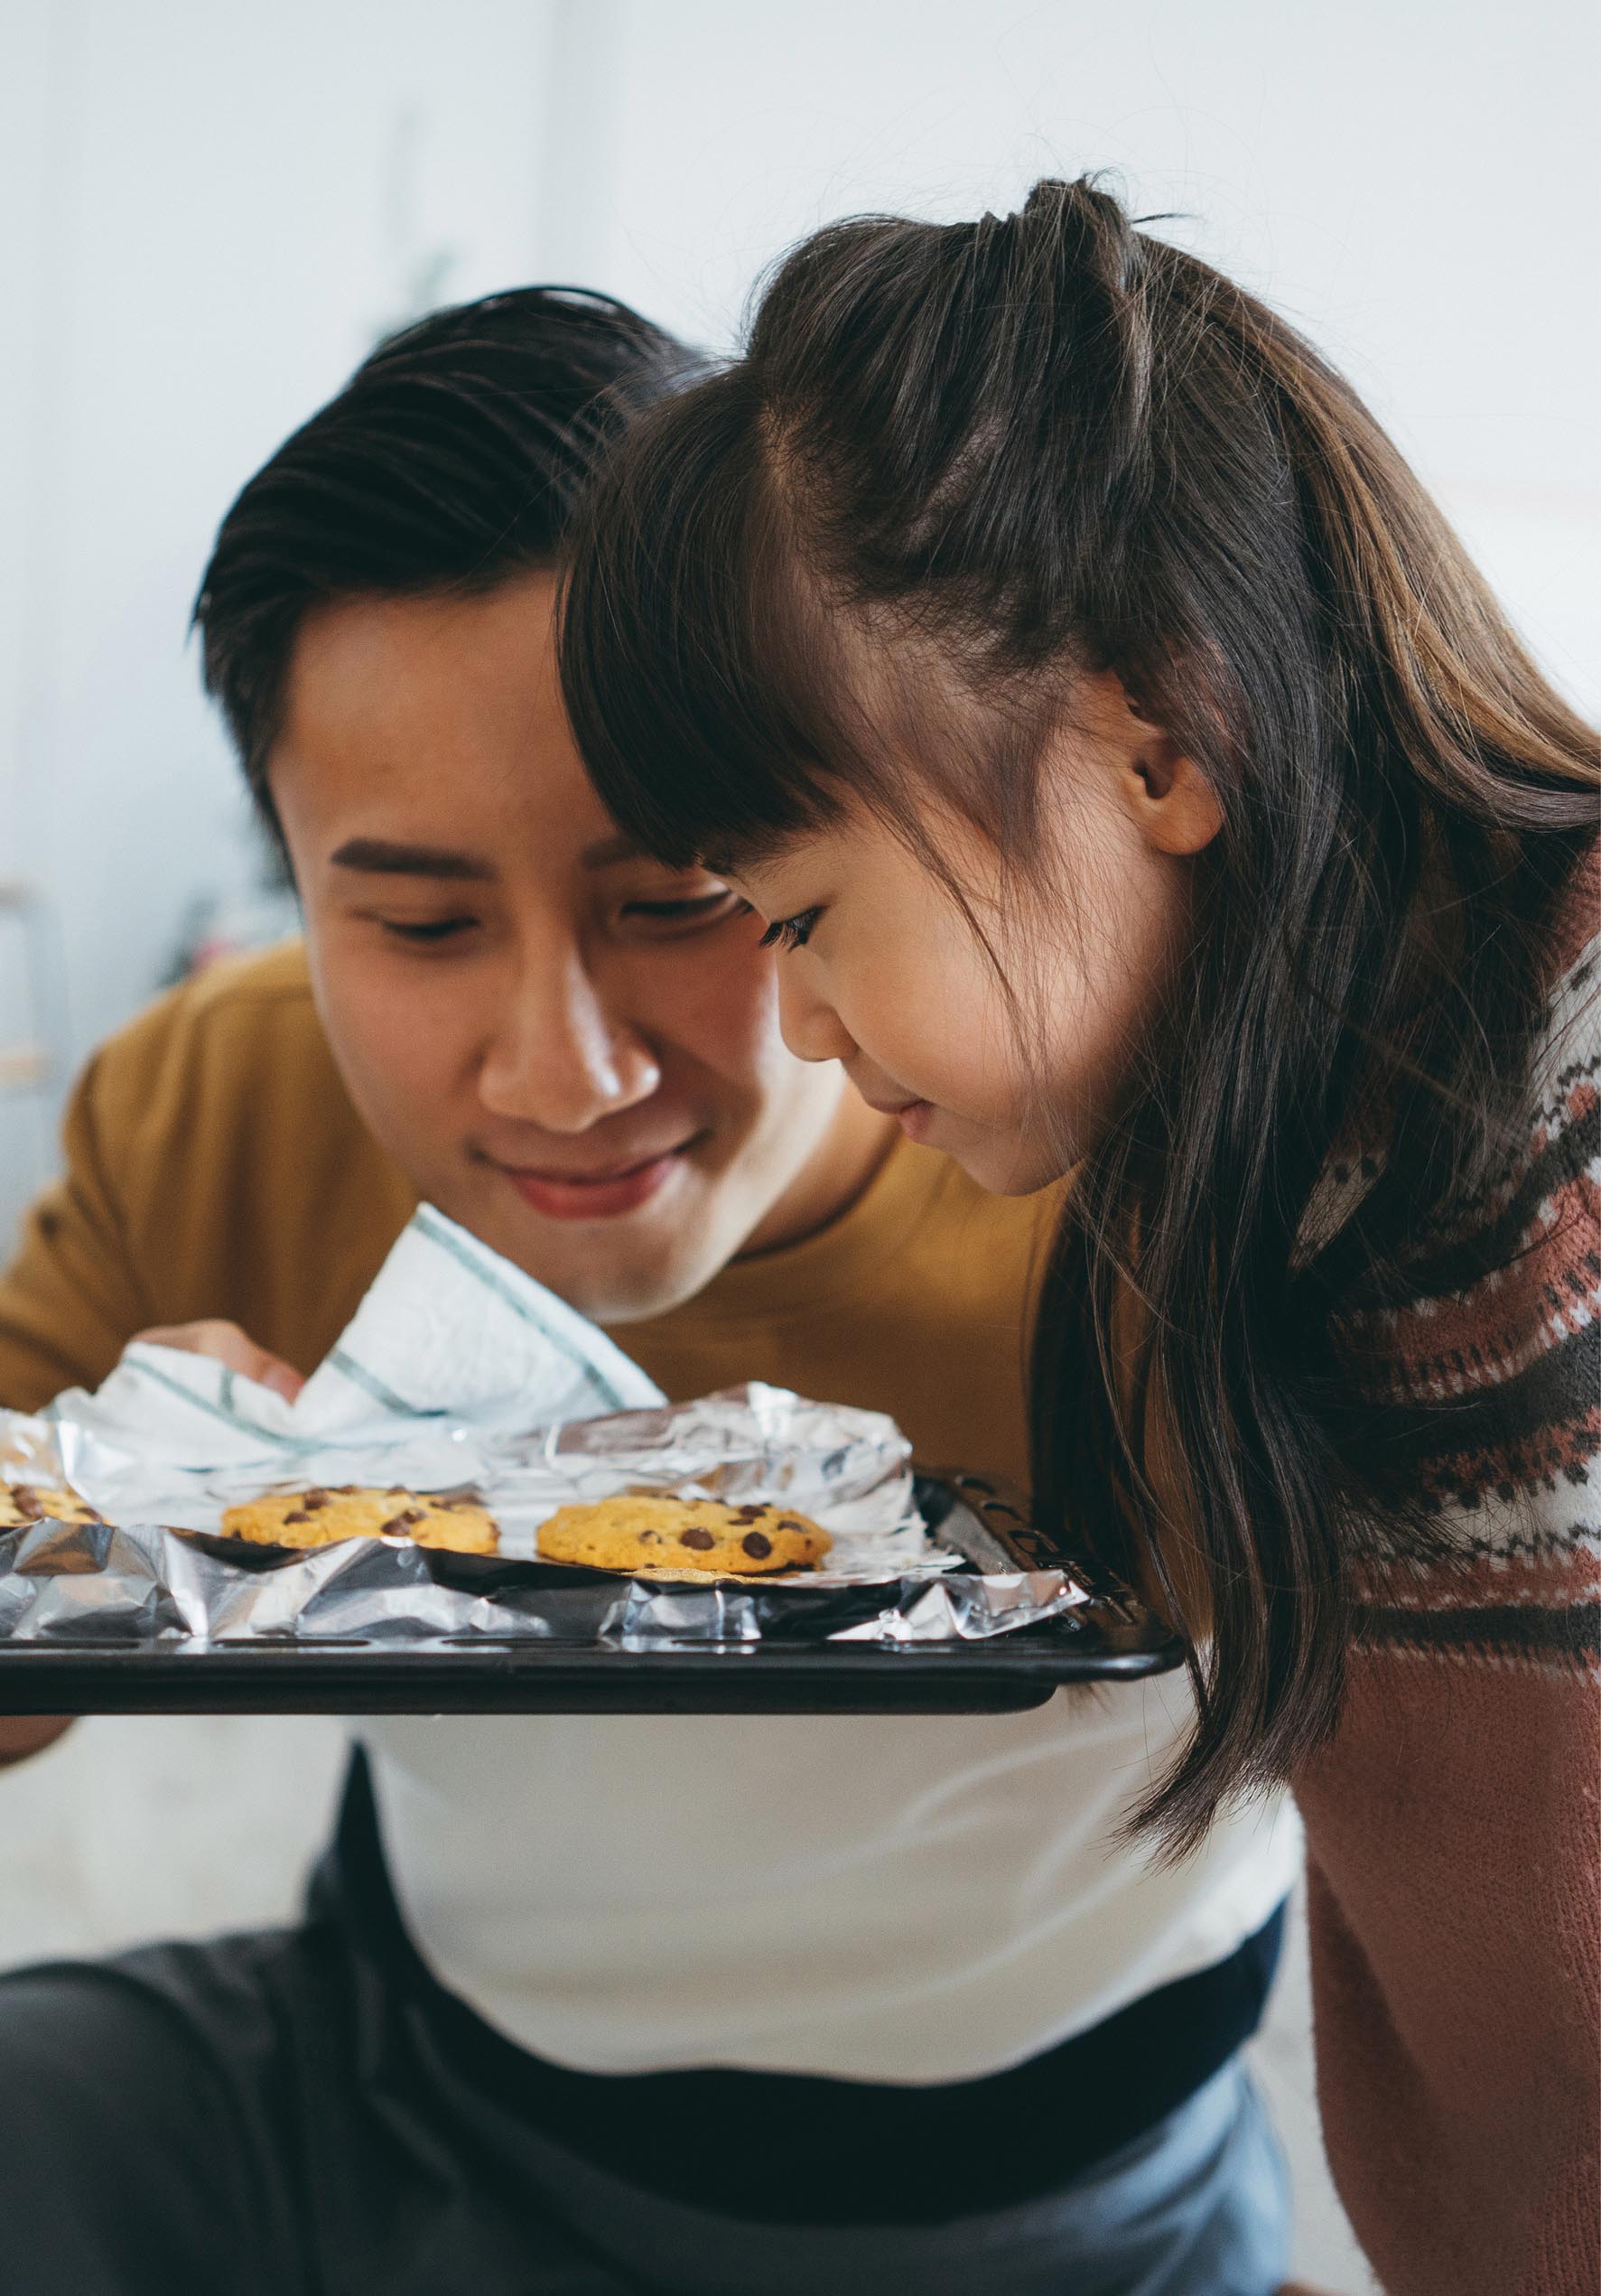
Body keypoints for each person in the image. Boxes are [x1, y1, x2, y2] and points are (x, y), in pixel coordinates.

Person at [0, 287, 1304, 2295]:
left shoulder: (1152, 1172)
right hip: (397, 2073)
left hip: (1050, 2200)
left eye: (681, 899)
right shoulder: (218, 1103)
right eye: (420, 921)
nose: (565, 1070)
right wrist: (110, 1511)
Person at [556, 178, 1601, 2296]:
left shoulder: (1554, 1126)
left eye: (807, 915)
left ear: (1147, 737)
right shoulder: (1278, 1177)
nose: (812, 1025)